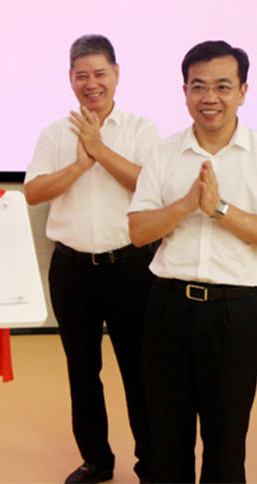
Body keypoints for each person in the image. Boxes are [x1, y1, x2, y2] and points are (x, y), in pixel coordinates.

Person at [24, 34, 158, 483]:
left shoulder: (141, 129)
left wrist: (100, 151)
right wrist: (80, 165)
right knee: (82, 371)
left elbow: (150, 185)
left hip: (131, 267)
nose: (91, 83)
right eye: (82, 75)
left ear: (116, 74)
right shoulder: (54, 134)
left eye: (100, 73)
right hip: (72, 269)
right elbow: (33, 192)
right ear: (70, 79)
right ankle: (96, 460)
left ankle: (151, 462)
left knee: (140, 370)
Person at [128, 40, 257, 483]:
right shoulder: (163, 153)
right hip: (169, 309)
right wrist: (186, 205)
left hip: (235, 313)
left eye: (222, 86)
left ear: (243, 91)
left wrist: (218, 208)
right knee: (166, 438)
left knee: (226, 440)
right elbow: (139, 231)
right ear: (184, 92)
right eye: (198, 86)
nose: (209, 97)